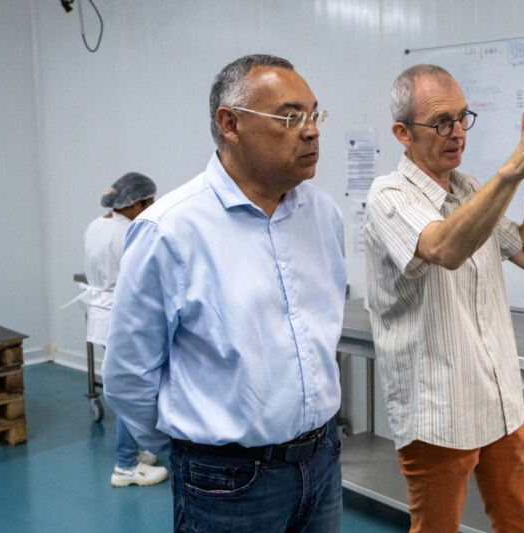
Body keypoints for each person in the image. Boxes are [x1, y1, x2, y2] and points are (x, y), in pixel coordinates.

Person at [102, 54, 347, 532]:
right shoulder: (170, 231)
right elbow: (128, 374)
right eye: (290, 116)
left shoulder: (322, 215)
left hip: (322, 460)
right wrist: (197, 451)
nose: (312, 130)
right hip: (227, 483)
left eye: (315, 114)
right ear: (230, 123)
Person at [364, 64, 524, 533]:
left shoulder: (468, 188)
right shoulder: (388, 195)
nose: (458, 132)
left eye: (463, 117)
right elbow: (445, 247)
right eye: (442, 122)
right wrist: (511, 170)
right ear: (403, 132)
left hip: (500, 401)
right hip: (439, 411)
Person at [83, 172, 168, 488]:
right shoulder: (132, 231)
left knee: (121, 386)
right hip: (122, 318)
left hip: (100, 314)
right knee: (131, 392)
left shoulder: (96, 225)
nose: (152, 207)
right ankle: (125, 465)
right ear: (135, 203)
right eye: (149, 202)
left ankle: (135, 451)